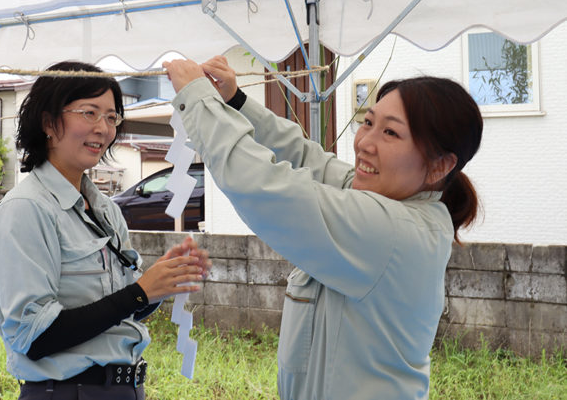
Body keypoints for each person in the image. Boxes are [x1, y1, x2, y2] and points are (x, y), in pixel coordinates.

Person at [163, 56, 483, 400]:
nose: (364, 143)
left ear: (439, 166)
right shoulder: (397, 206)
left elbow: (262, 186)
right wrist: (235, 102)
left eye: (390, 132)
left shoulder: (389, 229)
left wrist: (198, 98)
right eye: (368, 122)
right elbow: (307, 160)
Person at [0, 61, 211, 400]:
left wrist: (161, 283)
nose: (103, 128)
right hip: (66, 392)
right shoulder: (25, 210)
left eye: (111, 116)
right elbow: (34, 336)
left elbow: (117, 306)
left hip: (123, 388)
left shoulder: (105, 209)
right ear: (48, 122)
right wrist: (140, 293)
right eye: (89, 113)